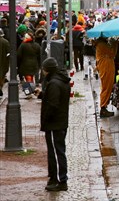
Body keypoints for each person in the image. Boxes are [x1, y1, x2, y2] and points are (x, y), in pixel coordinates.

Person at [39, 57, 70, 192]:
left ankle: (59, 180)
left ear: (47, 70)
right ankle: (58, 178)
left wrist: (45, 120)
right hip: (60, 122)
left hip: (54, 124)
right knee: (59, 150)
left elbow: (53, 104)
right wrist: (42, 95)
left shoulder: (54, 84)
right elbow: (54, 98)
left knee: (56, 152)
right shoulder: (60, 80)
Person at [95, 36, 118, 118]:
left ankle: (104, 106)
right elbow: (112, 53)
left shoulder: (101, 44)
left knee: (107, 87)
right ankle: (103, 107)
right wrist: (115, 44)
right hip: (106, 67)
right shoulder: (102, 44)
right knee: (106, 87)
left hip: (106, 66)